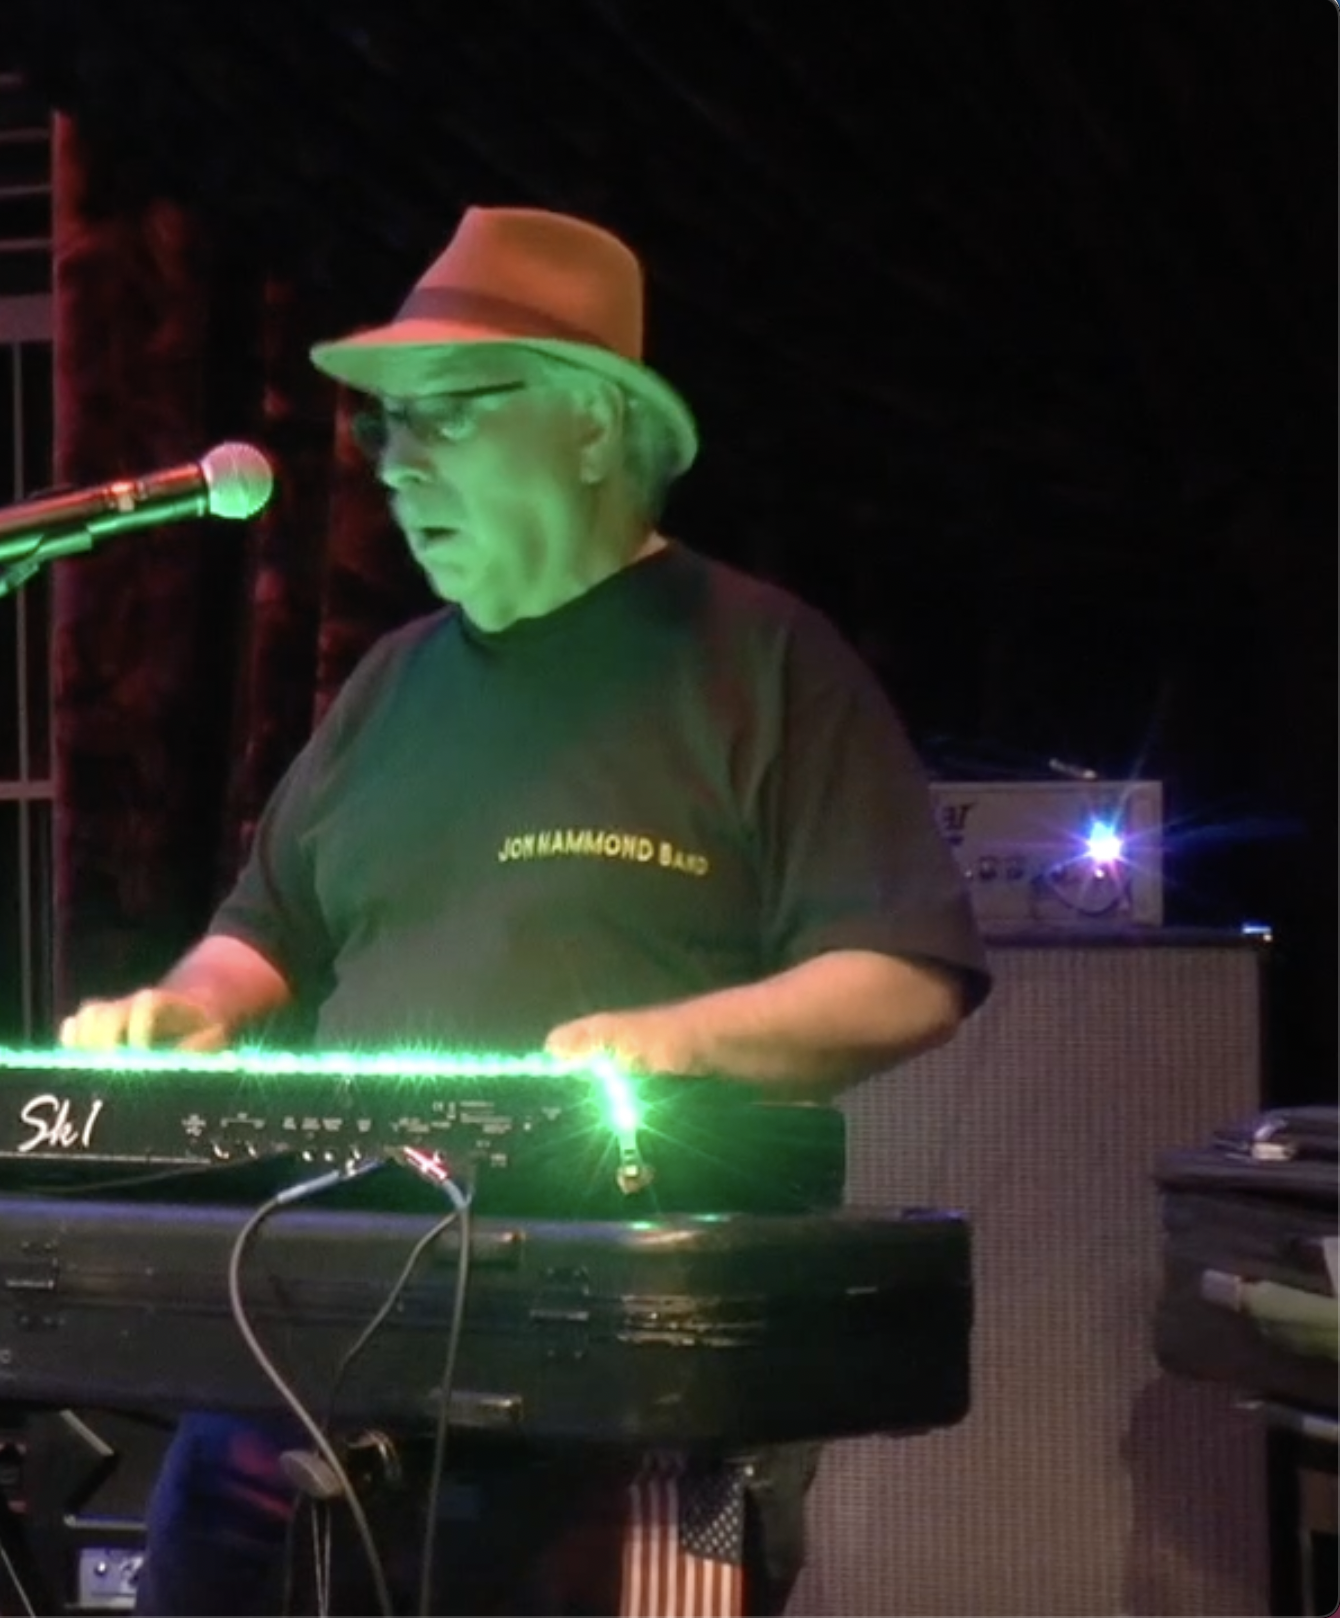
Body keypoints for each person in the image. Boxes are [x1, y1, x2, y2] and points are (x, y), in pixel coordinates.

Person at [59, 207, 992, 1616]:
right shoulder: (387, 683)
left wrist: (678, 1043)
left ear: (595, 427)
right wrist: (188, 1005)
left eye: (447, 416)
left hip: (629, 1356)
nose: (395, 461)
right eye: (387, 425)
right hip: (327, 1317)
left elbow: (904, 972)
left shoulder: (759, 660)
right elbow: (268, 929)